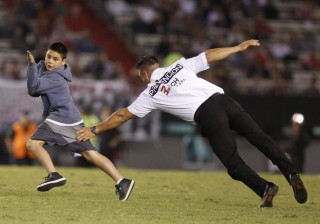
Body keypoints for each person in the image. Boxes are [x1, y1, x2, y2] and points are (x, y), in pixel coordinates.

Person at [76, 39, 308, 207]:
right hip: (225, 101)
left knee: (233, 163)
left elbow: (122, 116)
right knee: (260, 138)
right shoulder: (179, 65)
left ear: (145, 75)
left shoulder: (151, 92)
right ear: (158, 66)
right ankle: (291, 174)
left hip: (208, 114)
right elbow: (210, 55)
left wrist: (95, 128)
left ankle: (265, 188)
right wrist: (237, 48)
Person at [25, 42, 134, 201]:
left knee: (32, 144)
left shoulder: (55, 76)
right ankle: (122, 181)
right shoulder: (56, 74)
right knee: (89, 154)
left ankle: (53, 175)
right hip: (71, 119)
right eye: (48, 57)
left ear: (64, 62)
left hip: (61, 117)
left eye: (55, 59)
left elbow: (33, 88)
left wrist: (32, 64)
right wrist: (39, 65)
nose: (50, 61)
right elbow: (36, 91)